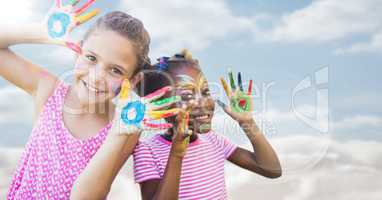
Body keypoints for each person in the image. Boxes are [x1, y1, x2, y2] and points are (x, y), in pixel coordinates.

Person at [0, 1, 176, 199]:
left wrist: (118, 134)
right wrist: (40, 32)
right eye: (91, 58)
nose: (96, 75)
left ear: (132, 80)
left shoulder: (124, 128)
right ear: (78, 51)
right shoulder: (49, 90)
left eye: (115, 70)